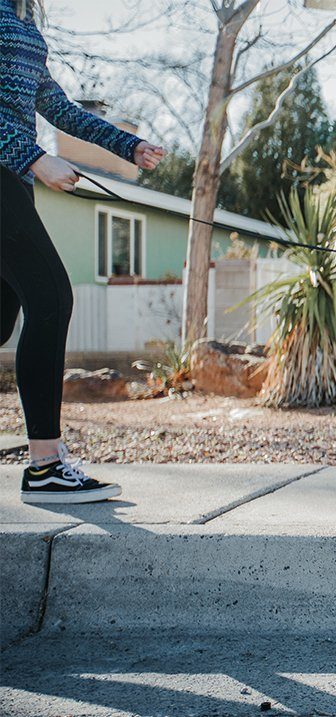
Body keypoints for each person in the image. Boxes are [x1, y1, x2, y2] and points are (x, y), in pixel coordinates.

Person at [2, 0, 165, 503]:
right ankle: (46, 465)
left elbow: (56, 106)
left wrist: (126, 146)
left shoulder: (21, 16)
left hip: (14, 180)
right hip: (6, 174)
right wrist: (33, 156)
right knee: (50, 296)